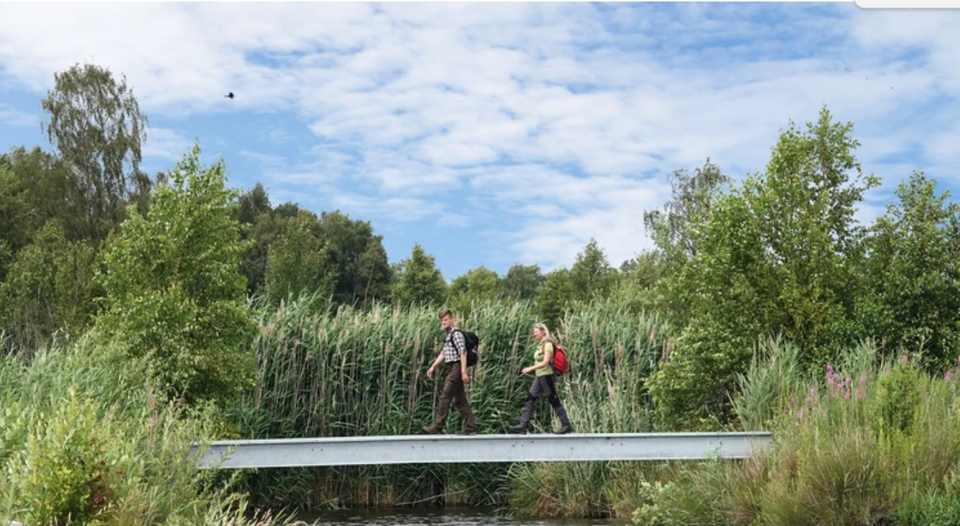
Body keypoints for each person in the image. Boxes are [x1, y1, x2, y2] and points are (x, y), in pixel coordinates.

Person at [507, 322, 573, 435]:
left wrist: (530, 368)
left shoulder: (547, 345)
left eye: (536, 332)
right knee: (530, 398)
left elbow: (546, 362)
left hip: (546, 375)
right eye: (534, 332)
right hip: (539, 376)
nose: (534, 334)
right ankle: (523, 425)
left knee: (553, 399)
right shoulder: (540, 345)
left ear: (543, 332)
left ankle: (566, 424)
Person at [423, 308, 477, 435]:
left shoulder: (456, 334)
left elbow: (462, 353)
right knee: (460, 400)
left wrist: (463, 372)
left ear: (451, 319)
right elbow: (444, 353)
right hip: (452, 367)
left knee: (445, 396)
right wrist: (433, 366)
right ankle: (471, 427)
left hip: (457, 368)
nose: (444, 322)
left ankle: (438, 426)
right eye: (442, 320)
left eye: (446, 320)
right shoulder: (448, 335)